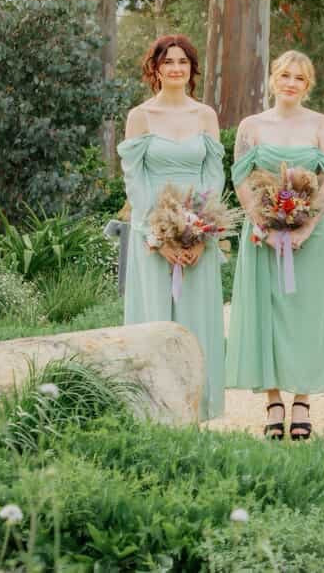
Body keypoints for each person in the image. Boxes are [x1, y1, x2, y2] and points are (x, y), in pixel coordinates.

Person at [225, 51, 324, 440]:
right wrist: (262, 224)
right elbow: (240, 177)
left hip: (310, 234)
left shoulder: (322, 125)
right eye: (285, 75)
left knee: (305, 316)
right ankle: (273, 400)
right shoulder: (251, 126)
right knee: (268, 315)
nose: (291, 83)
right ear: (273, 79)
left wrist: (305, 227)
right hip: (263, 234)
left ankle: (303, 399)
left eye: (300, 78)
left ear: (308, 86)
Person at [118, 34, 226, 420]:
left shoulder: (205, 116)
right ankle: (153, 413)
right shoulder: (140, 116)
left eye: (182, 62)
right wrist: (157, 236)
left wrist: (202, 233)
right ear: (156, 69)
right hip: (152, 235)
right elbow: (134, 180)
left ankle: (197, 413)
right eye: (168, 62)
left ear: (191, 69)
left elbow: (214, 178)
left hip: (198, 232)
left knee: (197, 323)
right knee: (155, 321)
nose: (176, 68)